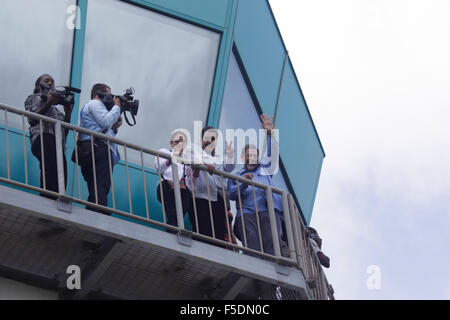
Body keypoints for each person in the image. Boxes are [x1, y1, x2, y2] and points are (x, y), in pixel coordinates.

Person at [227, 114, 283, 256]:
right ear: (243, 158)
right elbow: (231, 194)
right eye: (248, 155)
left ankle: (271, 275)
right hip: (247, 214)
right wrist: (243, 185)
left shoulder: (265, 168)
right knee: (253, 247)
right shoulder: (237, 175)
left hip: (267, 211)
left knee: (272, 245)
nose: (251, 157)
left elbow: (273, 154)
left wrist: (270, 134)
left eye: (254, 155)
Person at [25, 74, 72, 199]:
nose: (51, 83)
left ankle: (55, 199)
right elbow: (32, 119)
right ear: (38, 86)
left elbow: (64, 133)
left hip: (57, 144)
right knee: (49, 171)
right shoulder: (35, 97)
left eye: (52, 81)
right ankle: (46, 199)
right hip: (43, 137)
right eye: (47, 81)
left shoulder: (57, 112)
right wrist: (49, 102)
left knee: (61, 174)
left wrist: (68, 113)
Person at [185, 126, 235, 244]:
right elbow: (192, 160)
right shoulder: (193, 149)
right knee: (202, 229)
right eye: (207, 138)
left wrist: (230, 155)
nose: (210, 141)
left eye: (213, 139)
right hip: (199, 197)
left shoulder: (217, 159)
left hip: (216, 200)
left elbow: (229, 167)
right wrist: (207, 166)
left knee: (218, 234)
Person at [78, 83, 123, 215]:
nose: (112, 98)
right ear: (99, 95)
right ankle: (99, 214)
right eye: (110, 95)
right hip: (98, 149)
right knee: (101, 185)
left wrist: (114, 129)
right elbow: (105, 121)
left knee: (97, 186)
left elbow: (104, 129)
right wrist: (117, 107)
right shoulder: (95, 103)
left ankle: (93, 213)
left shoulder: (95, 107)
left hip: (93, 148)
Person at [155, 130, 191, 231]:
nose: (180, 144)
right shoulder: (164, 152)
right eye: (177, 141)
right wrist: (170, 160)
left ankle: (174, 231)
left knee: (179, 215)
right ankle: (172, 232)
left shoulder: (186, 161)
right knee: (172, 214)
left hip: (182, 190)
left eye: (182, 141)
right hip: (166, 187)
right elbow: (158, 168)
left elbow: (190, 181)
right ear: (171, 143)